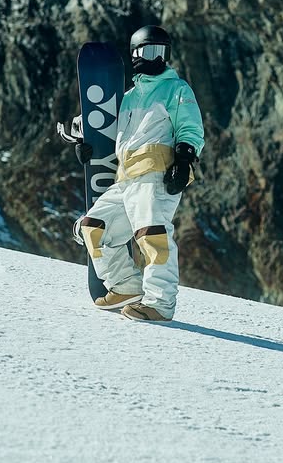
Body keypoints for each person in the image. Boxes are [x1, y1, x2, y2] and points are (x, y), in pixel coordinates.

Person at [69, 25, 204, 322]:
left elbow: (191, 127)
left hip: (156, 174)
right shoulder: (128, 98)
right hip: (126, 178)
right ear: (135, 54)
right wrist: (85, 144)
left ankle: (160, 303)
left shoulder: (176, 89)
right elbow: (99, 127)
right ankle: (127, 286)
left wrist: (184, 159)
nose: (156, 58)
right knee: (93, 226)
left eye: (161, 52)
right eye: (148, 51)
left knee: (152, 235)